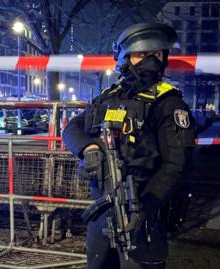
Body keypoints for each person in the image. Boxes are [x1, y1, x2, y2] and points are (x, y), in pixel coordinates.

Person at [62, 22, 195, 269]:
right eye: (141, 55)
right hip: (102, 209)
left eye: (156, 55)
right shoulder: (108, 97)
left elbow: (177, 165)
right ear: (124, 58)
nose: (150, 62)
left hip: (143, 212)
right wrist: (89, 149)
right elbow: (71, 129)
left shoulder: (169, 103)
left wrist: (144, 208)